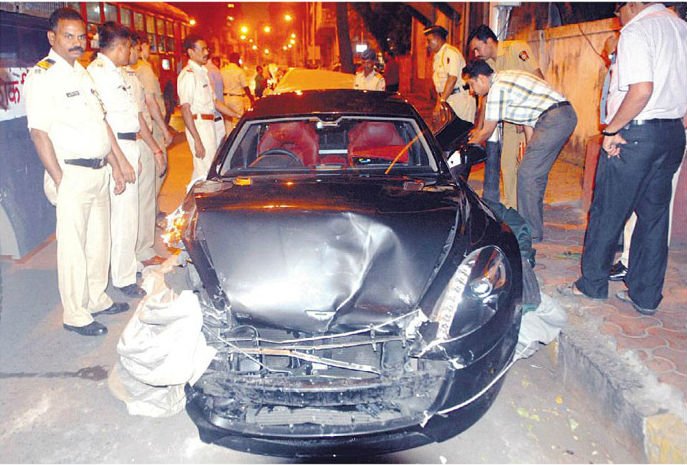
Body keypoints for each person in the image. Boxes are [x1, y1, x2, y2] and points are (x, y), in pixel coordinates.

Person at [563, 2, 687, 315]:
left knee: (608, 210)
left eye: (618, 10)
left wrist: (611, 130)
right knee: (655, 218)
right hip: (671, 134)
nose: (617, 17)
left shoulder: (637, 30)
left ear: (631, 4)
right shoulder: (681, 29)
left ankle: (591, 285)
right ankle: (645, 296)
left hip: (633, 135)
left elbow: (642, 90)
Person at [24, 7, 129, 336]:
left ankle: (96, 297)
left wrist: (117, 163)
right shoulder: (43, 76)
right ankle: (75, 313)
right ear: (52, 37)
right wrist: (59, 179)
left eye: (81, 36)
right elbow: (38, 132)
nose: (76, 42)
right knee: (73, 247)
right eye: (68, 36)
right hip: (71, 173)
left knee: (99, 241)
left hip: (98, 171)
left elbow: (101, 123)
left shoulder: (82, 73)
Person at [464, 59, 577, 243]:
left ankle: (530, 232)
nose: (471, 91)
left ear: (482, 79)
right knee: (531, 172)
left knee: (527, 174)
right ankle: (532, 228)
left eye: (471, 84)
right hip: (559, 116)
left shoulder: (497, 88)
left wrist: (465, 148)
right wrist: (529, 148)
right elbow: (528, 119)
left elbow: (487, 130)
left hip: (554, 118)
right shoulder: (507, 79)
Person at [88, 22, 146, 299]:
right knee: (122, 216)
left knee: (128, 213)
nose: (131, 52)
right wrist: (121, 162)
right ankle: (123, 278)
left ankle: (127, 266)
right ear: (120, 46)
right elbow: (104, 122)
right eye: (129, 47)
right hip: (117, 148)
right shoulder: (98, 74)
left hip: (128, 144)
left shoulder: (116, 72)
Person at [468, 24, 544, 209]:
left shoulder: (516, 49)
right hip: (509, 124)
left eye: (477, 48)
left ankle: (528, 211)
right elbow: (486, 100)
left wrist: (528, 117)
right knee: (508, 167)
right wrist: (478, 128)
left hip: (526, 122)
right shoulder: (490, 65)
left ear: (488, 41)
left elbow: (539, 80)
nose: (476, 54)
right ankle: (513, 209)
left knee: (525, 168)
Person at [126, 32, 166, 271]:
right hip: (136, 140)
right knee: (142, 199)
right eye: (133, 48)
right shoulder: (124, 75)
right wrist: (155, 147)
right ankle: (142, 251)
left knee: (143, 198)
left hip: (140, 138)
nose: (137, 53)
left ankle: (142, 250)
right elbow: (140, 114)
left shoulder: (132, 74)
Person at [179, 36, 238, 184]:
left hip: (209, 124)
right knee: (206, 173)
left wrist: (238, 115)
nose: (207, 52)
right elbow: (185, 109)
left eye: (207, 49)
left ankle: (189, 206)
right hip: (199, 125)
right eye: (202, 49)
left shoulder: (202, 72)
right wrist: (197, 140)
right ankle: (199, 205)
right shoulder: (188, 75)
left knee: (205, 169)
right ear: (191, 52)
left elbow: (215, 102)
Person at [134, 31, 172, 226]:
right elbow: (151, 101)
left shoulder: (134, 70)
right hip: (153, 127)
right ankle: (150, 216)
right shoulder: (145, 69)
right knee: (159, 170)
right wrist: (164, 129)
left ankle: (153, 213)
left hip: (146, 127)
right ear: (141, 46)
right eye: (149, 46)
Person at [423, 24, 476, 124]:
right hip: (448, 99)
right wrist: (439, 103)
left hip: (459, 100)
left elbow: (452, 79)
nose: (427, 45)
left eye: (429, 41)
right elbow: (441, 86)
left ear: (438, 39)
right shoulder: (438, 57)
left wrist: (440, 103)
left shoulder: (451, 53)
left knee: (461, 133)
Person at [220, 52, 254, 134]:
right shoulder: (239, 71)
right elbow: (245, 86)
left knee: (228, 122)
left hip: (225, 98)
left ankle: (229, 140)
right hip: (236, 99)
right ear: (237, 59)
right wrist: (251, 98)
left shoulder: (222, 70)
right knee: (238, 120)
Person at [206, 55, 227, 147]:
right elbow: (219, 94)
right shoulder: (215, 70)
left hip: (209, 116)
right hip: (217, 114)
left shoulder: (205, 71)